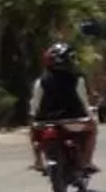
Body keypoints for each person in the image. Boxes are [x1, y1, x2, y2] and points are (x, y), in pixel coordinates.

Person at [32, 41, 99, 174]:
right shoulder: (77, 79)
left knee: (33, 132)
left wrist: (34, 118)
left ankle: (38, 160)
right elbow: (84, 101)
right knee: (92, 129)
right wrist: (91, 116)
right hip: (74, 121)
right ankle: (87, 161)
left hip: (45, 122)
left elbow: (35, 104)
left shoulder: (41, 80)